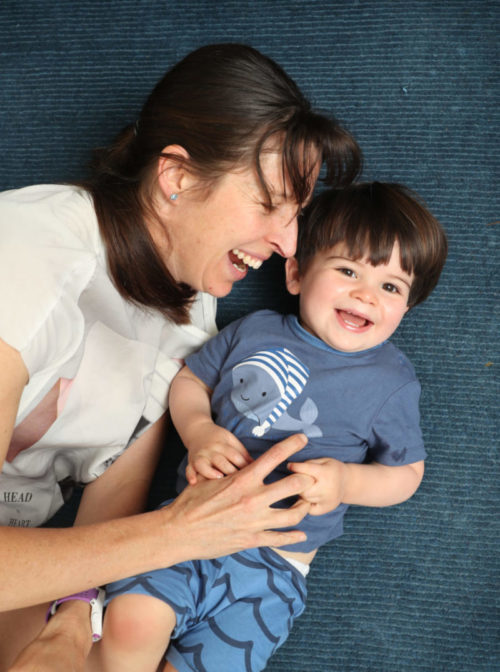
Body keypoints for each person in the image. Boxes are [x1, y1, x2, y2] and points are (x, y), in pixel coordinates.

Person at [0, 43, 362, 671]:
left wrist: (73, 618)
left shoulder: (191, 320)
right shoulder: (28, 255)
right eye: (271, 203)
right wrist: (184, 531)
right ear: (177, 175)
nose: (288, 243)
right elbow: (143, 537)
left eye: (298, 215)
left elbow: (105, 523)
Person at [96, 181, 448, 672]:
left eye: (390, 287)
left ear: (404, 309)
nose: (365, 295)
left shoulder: (391, 382)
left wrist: (347, 481)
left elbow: (407, 474)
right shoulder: (255, 330)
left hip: (275, 567)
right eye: (347, 270)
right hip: (185, 527)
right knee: (129, 625)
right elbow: (189, 381)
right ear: (297, 273)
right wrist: (198, 430)